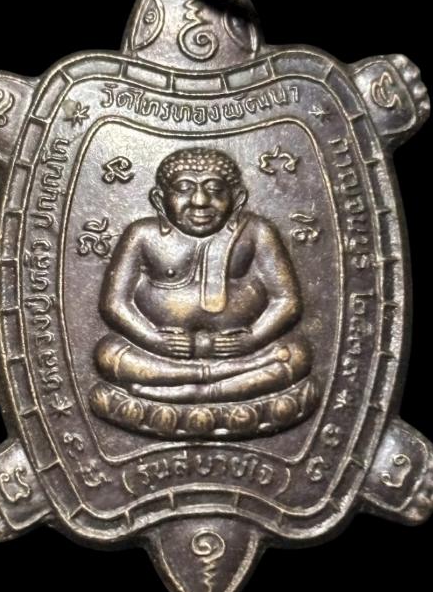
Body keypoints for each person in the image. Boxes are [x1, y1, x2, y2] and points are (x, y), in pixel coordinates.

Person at [92, 147, 311, 411]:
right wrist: (152, 339)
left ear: (237, 198)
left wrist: (253, 338)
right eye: (184, 188)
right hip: (163, 355)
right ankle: (212, 383)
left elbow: (287, 301)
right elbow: (114, 303)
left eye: (215, 189)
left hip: (241, 351)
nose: (200, 200)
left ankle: (180, 394)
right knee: (108, 354)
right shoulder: (142, 234)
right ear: (159, 199)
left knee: (296, 353)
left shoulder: (257, 232)